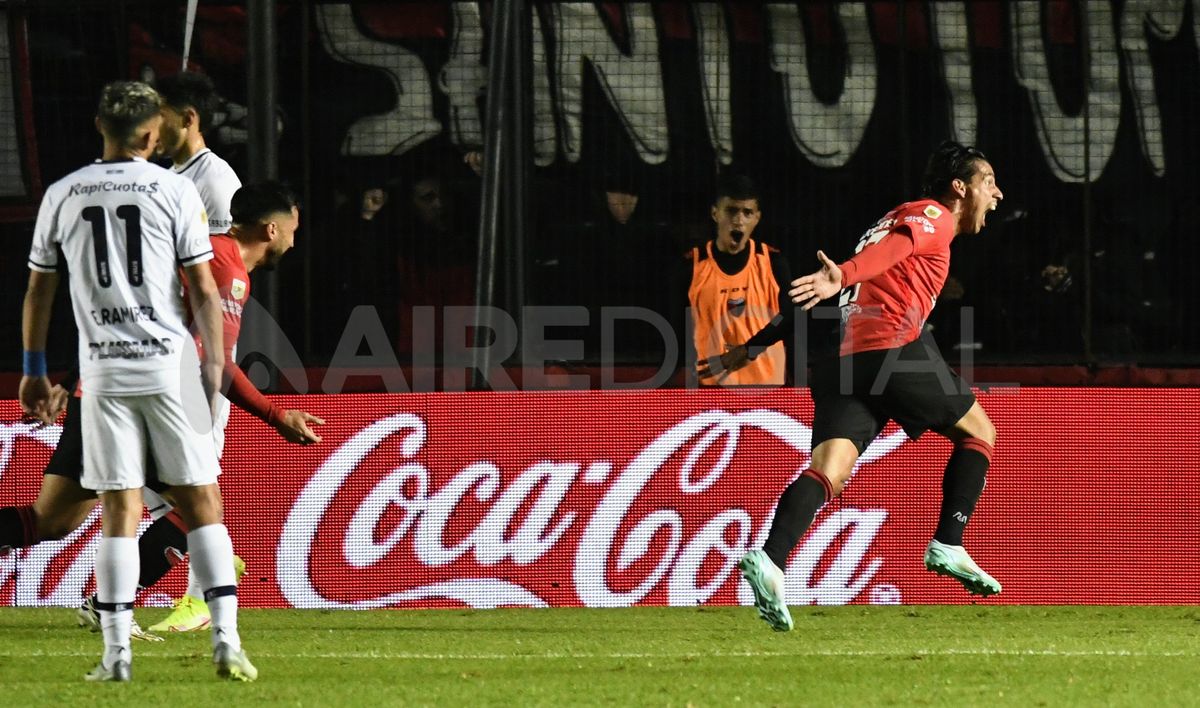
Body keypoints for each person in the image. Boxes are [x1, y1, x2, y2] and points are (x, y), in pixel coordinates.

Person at [19, 80, 255, 681]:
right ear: (152, 135)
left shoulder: (61, 194)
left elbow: (38, 291)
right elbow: (204, 286)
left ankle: (115, 656)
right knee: (202, 502)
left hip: (100, 374)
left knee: (120, 507)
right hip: (169, 364)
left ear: (100, 127)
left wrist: (34, 371)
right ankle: (227, 641)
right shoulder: (176, 189)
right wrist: (210, 366)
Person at [737, 141, 1005, 631]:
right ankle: (948, 540)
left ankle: (771, 561)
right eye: (989, 182)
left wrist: (769, 333)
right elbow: (893, 252)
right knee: (979, 431)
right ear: (960, 187)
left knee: (829, 469)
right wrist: (842, 274)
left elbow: (882, 257)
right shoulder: (934, 213)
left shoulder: (892, 216)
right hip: (890, 346)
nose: (998, 194)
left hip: (841, 360)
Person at [687, 174, 793, 385]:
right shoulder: (691, 266)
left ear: (757, 218)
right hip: (712, 388)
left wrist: (748, 350)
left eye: (747, 212)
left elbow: (788, 318)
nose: (739, 220)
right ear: (715, 213)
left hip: (767, 387)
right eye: (732, 210)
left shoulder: (773, 262)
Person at [155, 71, 242, 234]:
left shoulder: (214, 182)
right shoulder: (170, 175)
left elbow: (221, 257)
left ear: (188, 119)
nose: (151, 127)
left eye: (160, 117)